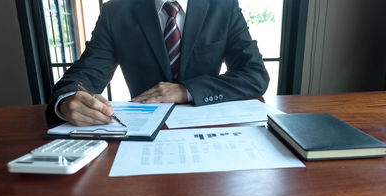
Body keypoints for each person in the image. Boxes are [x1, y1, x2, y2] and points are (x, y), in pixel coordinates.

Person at [45, 0, 270, 126]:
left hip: (208, 126)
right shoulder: (116, 13)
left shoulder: (223, 7)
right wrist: (68, 101)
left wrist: (187, 90)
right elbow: (85, 74)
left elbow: (255, 75)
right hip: (142, 131)